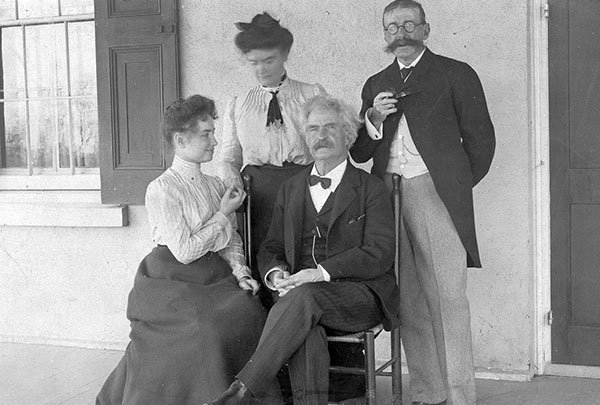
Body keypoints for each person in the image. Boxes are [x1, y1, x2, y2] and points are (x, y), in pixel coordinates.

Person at [206, 95, 400, 405]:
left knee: (306, 296)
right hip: (302, 300)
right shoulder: (291, 188)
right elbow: (271, 246)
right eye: (312, 129)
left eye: (330, 127)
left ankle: (240, 393)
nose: (320, 136)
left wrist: (320, 273)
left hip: (360, 295)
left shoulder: (370, 188)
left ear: (349, 135)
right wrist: (275, 275)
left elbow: (379, 252)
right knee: (305, 324)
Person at [349, 1, 496, 404]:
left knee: (447, 297)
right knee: (409, 299)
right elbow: (360, 153)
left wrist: (452, 186)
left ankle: (460, 395)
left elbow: (482, 143)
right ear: (384, 36)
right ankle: (429, 393)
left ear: (426, 30)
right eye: (392, 27)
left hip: (434, 193)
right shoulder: (376, 82)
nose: (401, 33)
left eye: (409, 25)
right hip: (387, 198)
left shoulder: (455, 73)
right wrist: (373, 119)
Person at [96, 95, 280, 404]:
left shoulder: (214, 185)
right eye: (206, 134)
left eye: (213, 132)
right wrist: (222, 214)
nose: (215, 141)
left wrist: (241, 272)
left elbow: (231, 239)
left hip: (213, 275)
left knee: (249, 310)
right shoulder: (162, 189)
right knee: (206, 329)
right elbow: (183, 250)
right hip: (170, 280)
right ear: (181, 140)